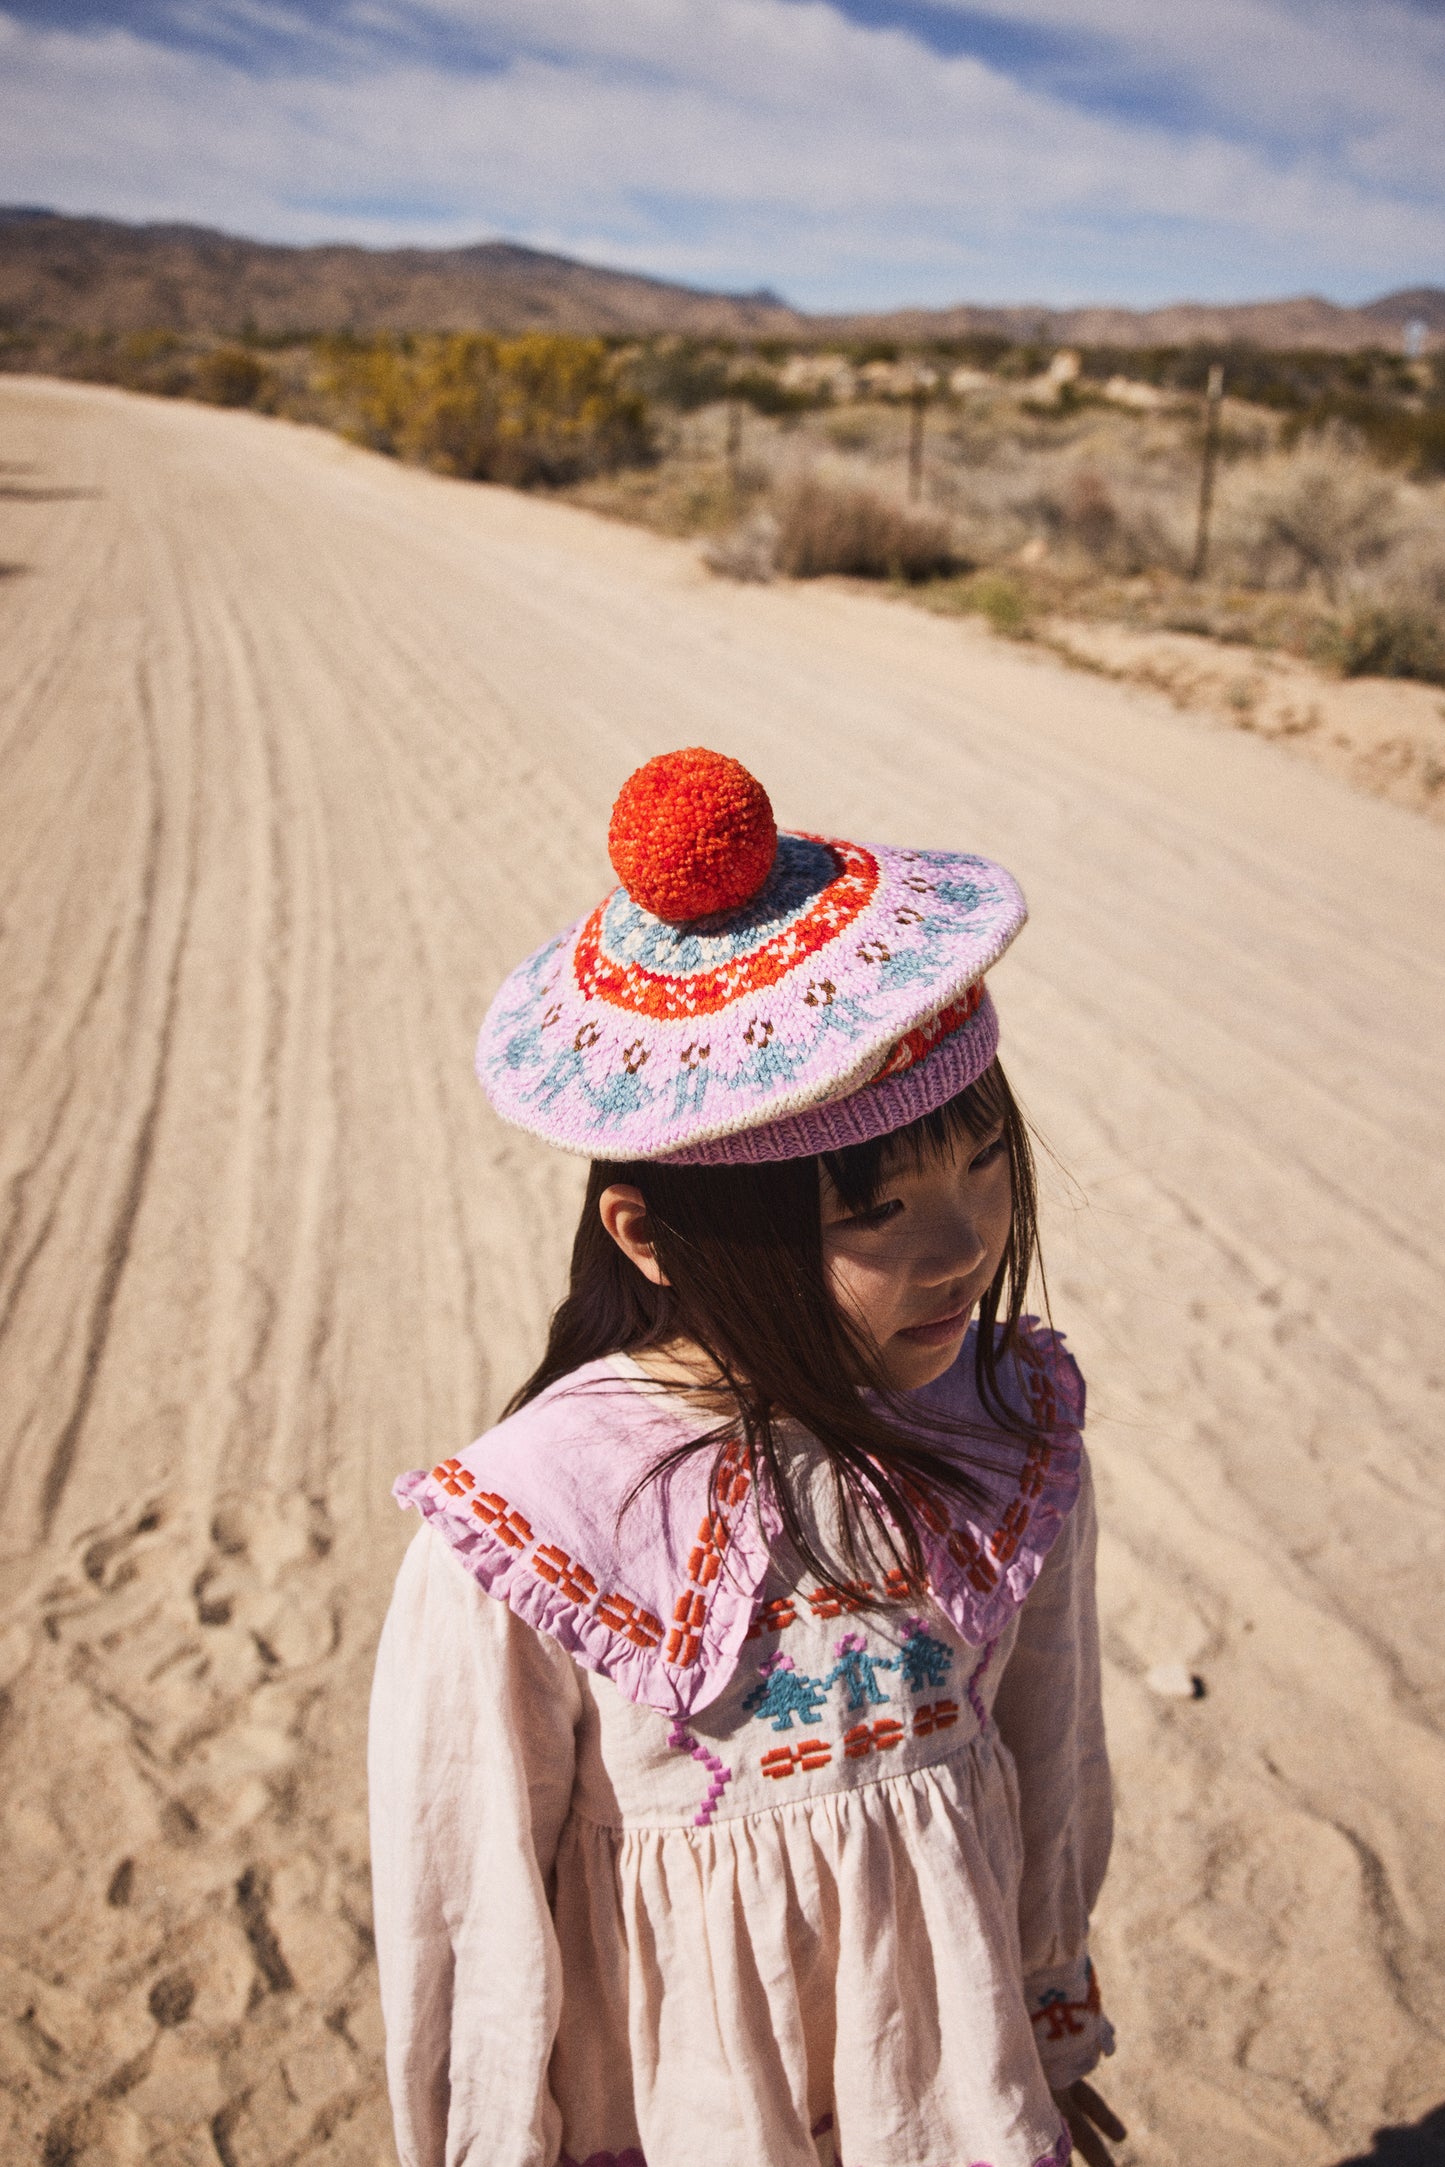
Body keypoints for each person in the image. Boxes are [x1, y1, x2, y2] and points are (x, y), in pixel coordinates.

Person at [369, 748, 1126, 2167]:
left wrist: (1042, 2014)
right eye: (875, 1209)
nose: (960, 1246)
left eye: (982, 1164)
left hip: (947, 2100)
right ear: (650, 1237)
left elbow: (1047, 1750)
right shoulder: (531, 1526)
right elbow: (466, 1908)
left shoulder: (1004, 1423)